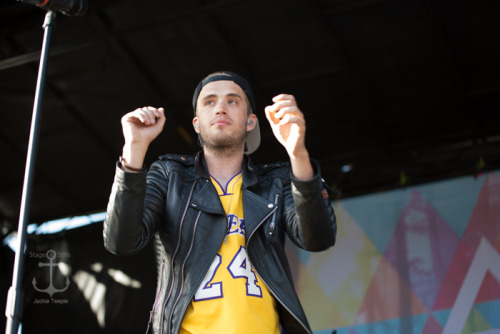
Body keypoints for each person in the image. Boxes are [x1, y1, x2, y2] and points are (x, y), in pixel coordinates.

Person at [103, 71, 337, 334]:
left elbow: (318, 239)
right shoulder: (171, 176)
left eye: (233, 101)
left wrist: (298, 153)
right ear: (196, 123)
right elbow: (120, 241)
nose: (221, 108)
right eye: (209, 102)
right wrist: (134, 147)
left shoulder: (276, 182)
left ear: (251, 122)